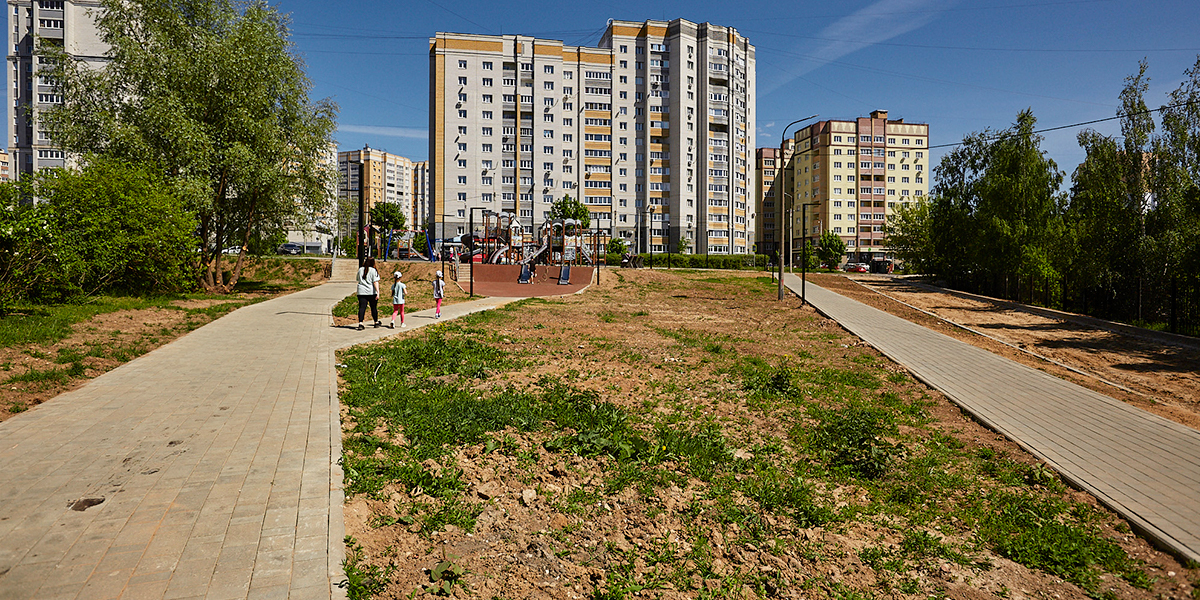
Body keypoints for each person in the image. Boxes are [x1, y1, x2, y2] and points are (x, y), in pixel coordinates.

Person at [356, 257, 380, 330]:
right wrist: (378, 292)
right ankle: (376, 322)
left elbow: (357, 279)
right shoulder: (373, 270)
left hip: (361, 291)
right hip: (371, 292)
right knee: (373, 307)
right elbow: (375, 282)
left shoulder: (360, 269)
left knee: (362, 307)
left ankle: (360, 323)